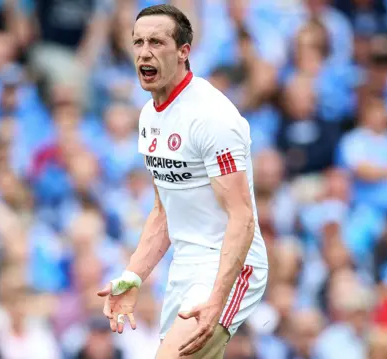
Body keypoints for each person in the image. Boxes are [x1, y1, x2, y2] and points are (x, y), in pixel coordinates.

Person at [97, 4, 269, 359]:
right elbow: (164, 211)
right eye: (138, 42)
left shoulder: (212, 117)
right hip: (185, 266)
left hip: (231, 266)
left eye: (157, 42)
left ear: (183, 51)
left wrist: (217, 300)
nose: (144, 52)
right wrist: (134, 275)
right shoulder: (149, 117)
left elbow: (243, 217)